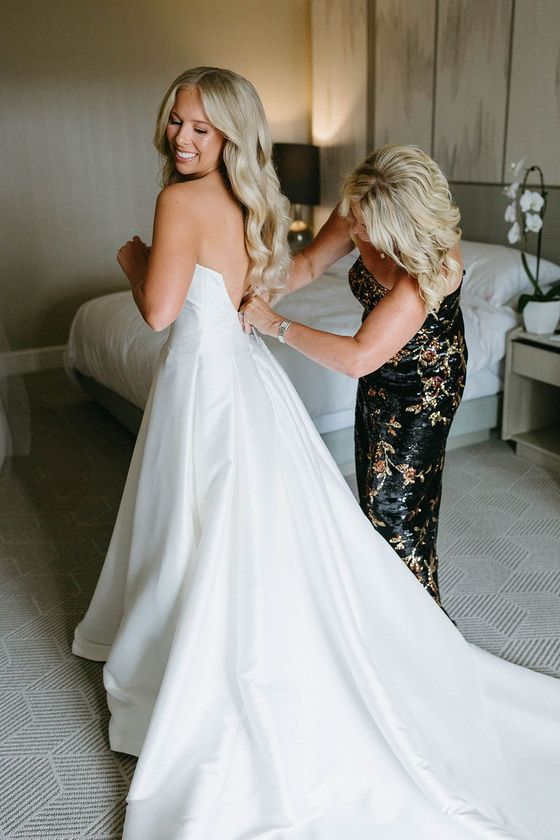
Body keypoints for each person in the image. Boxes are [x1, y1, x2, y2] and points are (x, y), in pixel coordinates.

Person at [72, 68, 560, 840]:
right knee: (338, 516)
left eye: (200, 128)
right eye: (176, 123)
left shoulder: (427, 273)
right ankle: (375, 631)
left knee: (390, 516)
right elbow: (296, 271)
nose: (181, 138)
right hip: (314, 377)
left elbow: (343, 352)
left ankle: (407, 646)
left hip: (391, 379)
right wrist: (259, 294)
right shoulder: (303, 203)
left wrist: (186, 284)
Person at [243, 144, 466, 607]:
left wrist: (273, 325)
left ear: (404, 225)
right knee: (373, 495)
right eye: (355, 218)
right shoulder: (363, 204)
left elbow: (359, 357)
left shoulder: (435, 268)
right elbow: (306, 264)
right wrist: (250, 293)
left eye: (367, 226)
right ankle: (386, 614)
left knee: (396, 511)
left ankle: (427, 629)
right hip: (381, 373)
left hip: (426, 385)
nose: (355, 230)